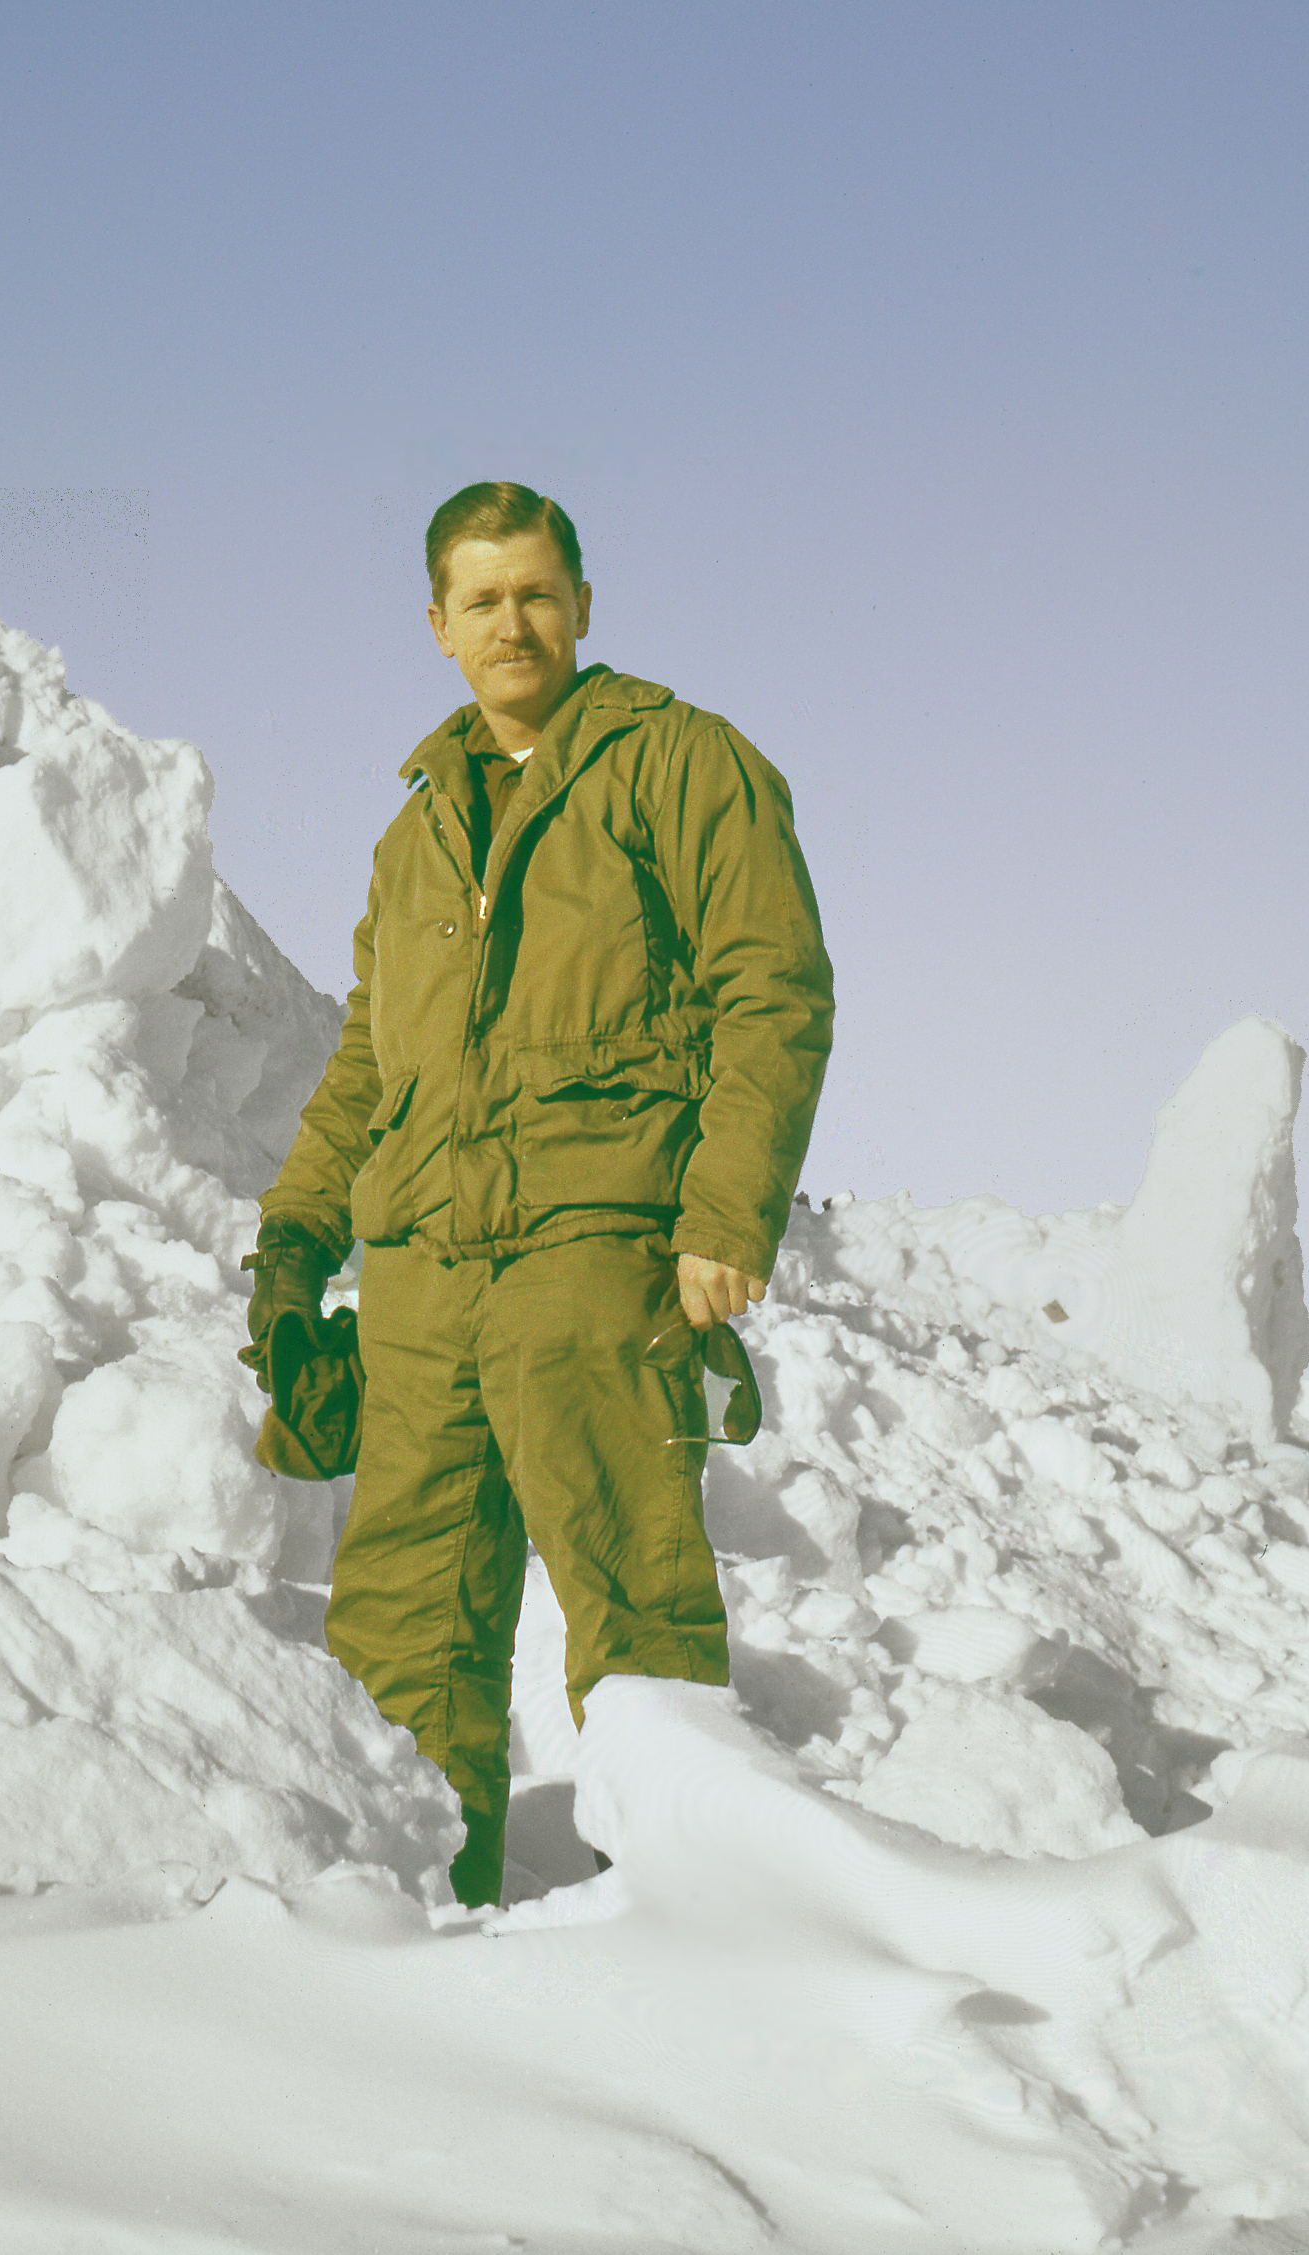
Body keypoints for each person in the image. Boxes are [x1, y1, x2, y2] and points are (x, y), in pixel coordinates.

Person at [242, 481, 833, 1906]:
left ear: (579, 605)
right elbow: (369, 1062)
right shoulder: (417, 830)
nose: (513, 622)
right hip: (425, 1279)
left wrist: (720, 1219)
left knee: (635, 1613)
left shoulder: (681, 765)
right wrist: (296, 1234)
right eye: (482, 600)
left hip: (595, 1251)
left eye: (536, 593)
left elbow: (774, 993)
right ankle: (410, 1944)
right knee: (398, 1633)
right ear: (437, 626)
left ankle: (695, 1925)